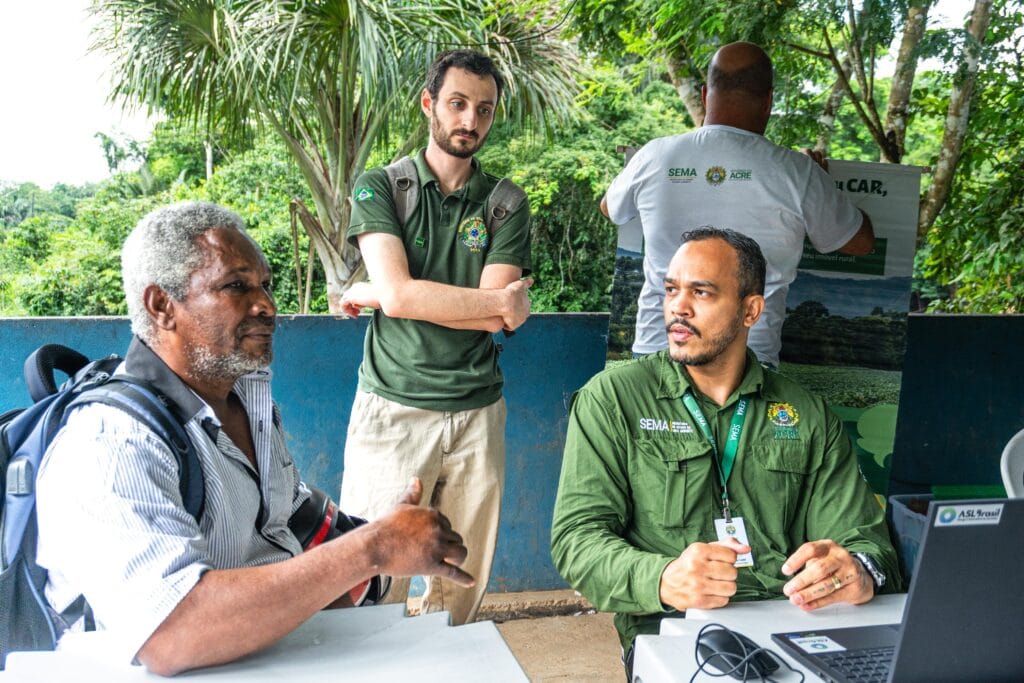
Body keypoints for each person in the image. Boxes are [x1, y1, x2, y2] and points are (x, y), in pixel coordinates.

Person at [35, 202, 474, 676]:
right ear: (162, 306)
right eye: (236, 286)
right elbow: (170, 634)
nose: (266, 304)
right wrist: (370, 550)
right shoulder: (112, 444)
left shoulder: (248, 394)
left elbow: (288, 523)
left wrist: (380, 536)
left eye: (264, 284)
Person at [550, 227, 899, 673]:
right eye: (672, 289)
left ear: (750, 309)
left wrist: (858, 570)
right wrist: (662, 578)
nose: (678, 306)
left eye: (702, 292)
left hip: (794, 621)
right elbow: (576, 538)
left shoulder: (806, 413)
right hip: (673, 626)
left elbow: (865, 539)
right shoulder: (614, 398)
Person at [337, 50, 532, 626]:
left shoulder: (505, 203)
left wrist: (386, 294)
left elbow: (493, 320)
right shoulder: (382, 187)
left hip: (478, 415)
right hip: (393, 411)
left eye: (484, 109)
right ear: (429, 105)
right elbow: (481, 305)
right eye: (457, 103)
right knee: (374, 583)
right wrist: (391, 295)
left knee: (461, 588)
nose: (470, 120)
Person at [601, 41, 875, 367]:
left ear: (705, 95)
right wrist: (823, 184)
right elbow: (861, 243)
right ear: (769, 101)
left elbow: (610, 208)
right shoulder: (798, 173)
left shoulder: (656, 155)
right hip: (746, 366)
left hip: (657, 354)